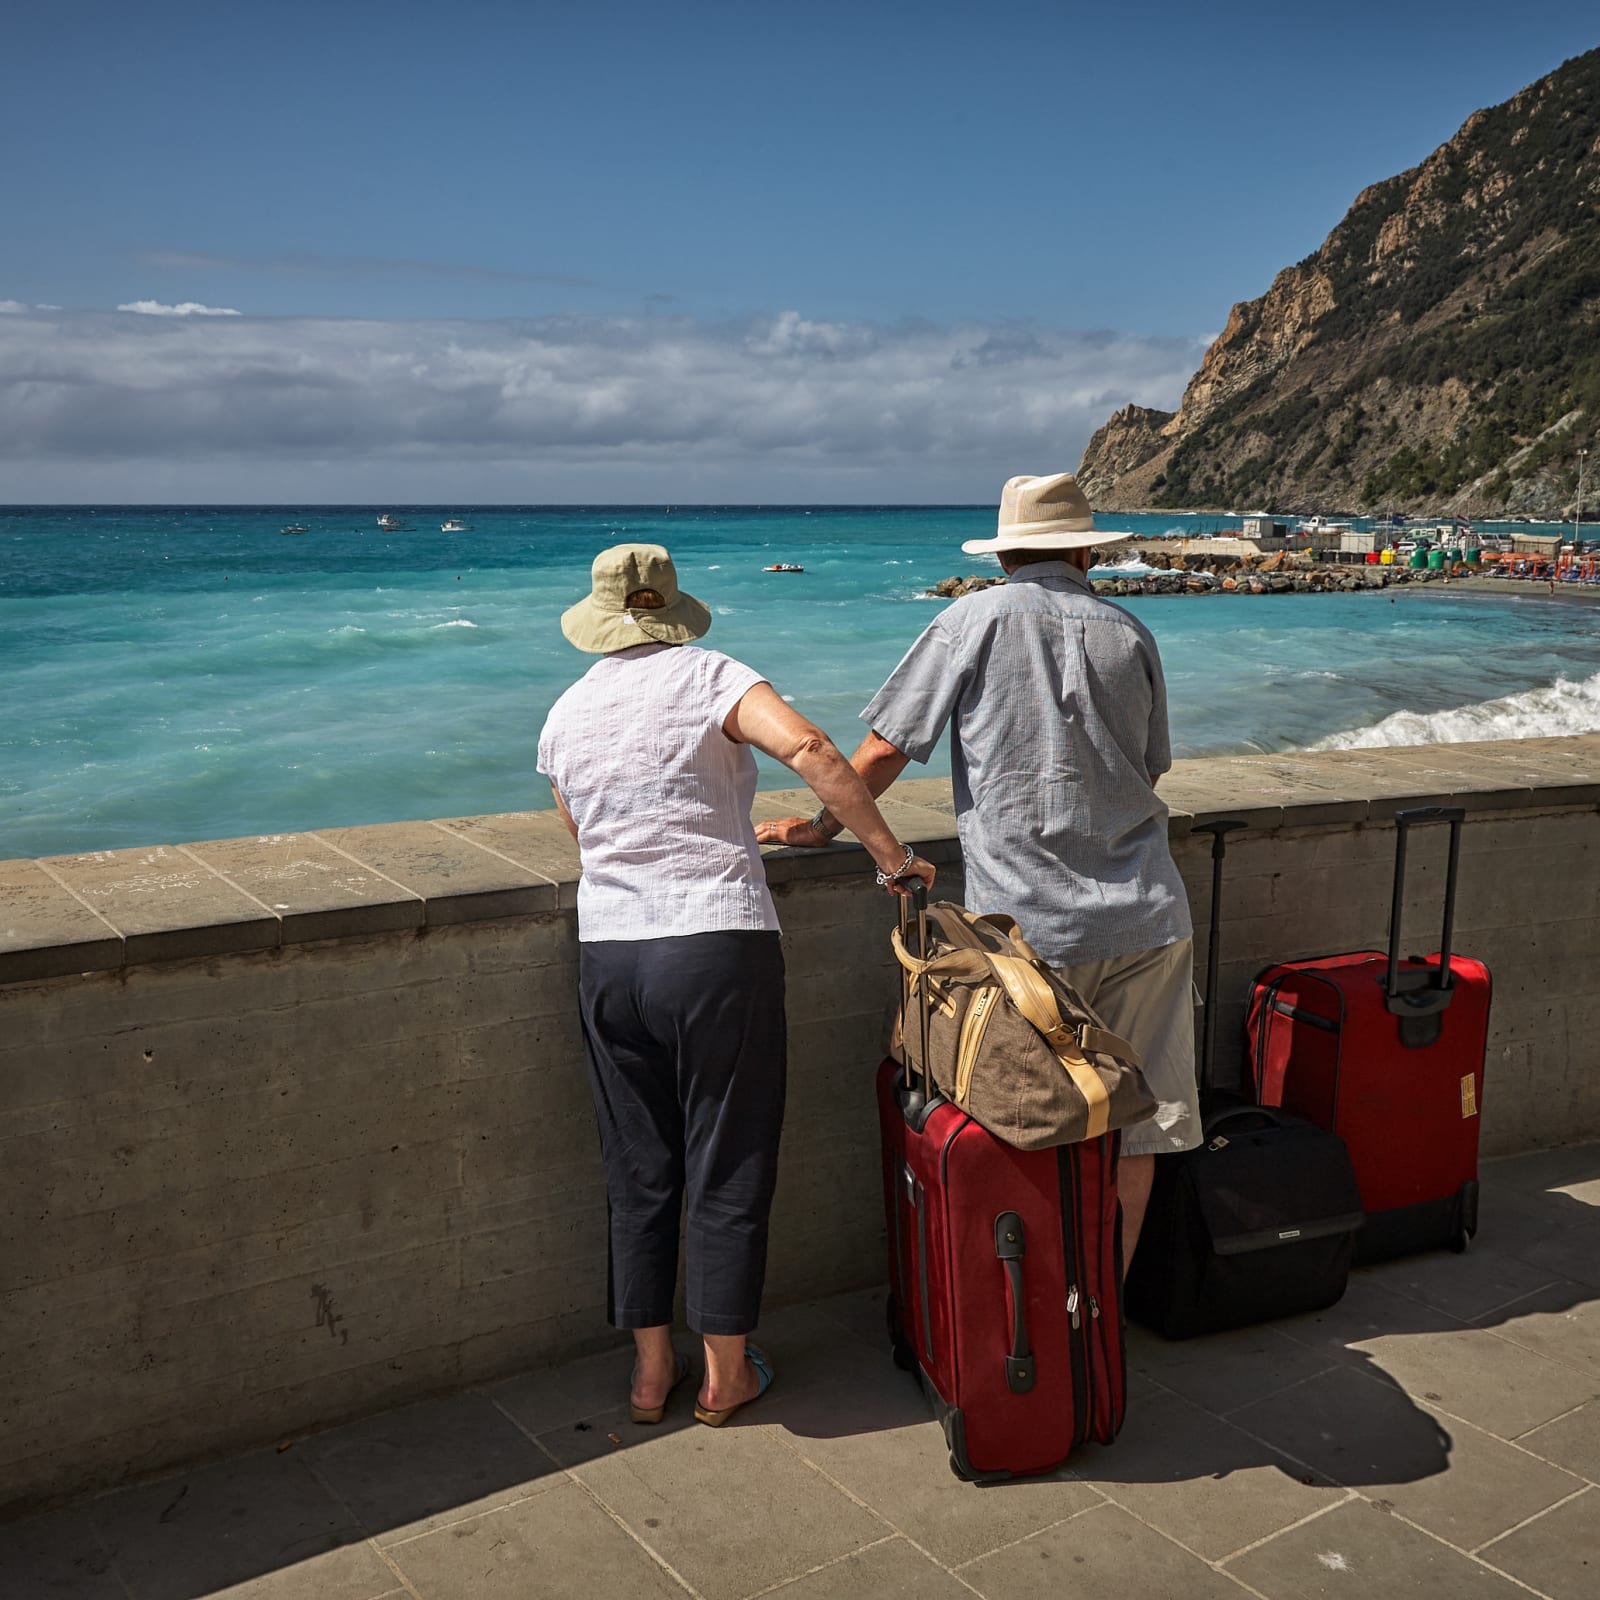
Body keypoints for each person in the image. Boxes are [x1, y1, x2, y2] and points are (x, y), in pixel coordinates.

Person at [758, 473, 1199, 1270]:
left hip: (1031, 932)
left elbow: (886, 747)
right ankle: (1103, 1317)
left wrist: (822, 826)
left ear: (1004, 556)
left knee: (1031, 1123)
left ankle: (1039, 1326)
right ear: (1084, 551)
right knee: (1144, 1128)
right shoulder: (1129, 631)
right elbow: (1150, 772)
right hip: (1148, 916)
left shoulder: (971, 620)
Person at [538, 543, 935, 1428]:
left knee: (637, 1166)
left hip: (611, 953)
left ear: (599, 620)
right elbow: (812, 747)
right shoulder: (712, 675)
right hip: (714, 946)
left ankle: (649, 1374)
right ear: (672, 609)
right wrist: (892, 858)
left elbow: (585, 834)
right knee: (728, 1156)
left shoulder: (565, 714)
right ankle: (724, 1374)